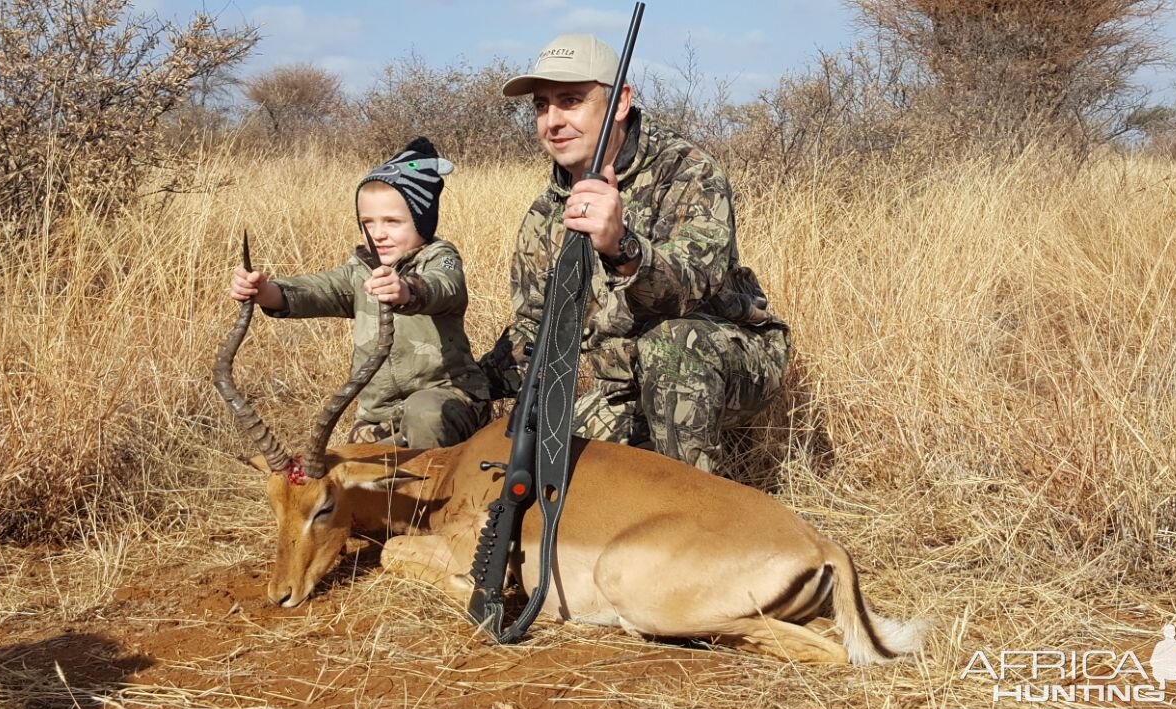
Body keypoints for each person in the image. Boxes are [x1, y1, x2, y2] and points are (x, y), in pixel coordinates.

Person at [480, 34, 789, 474]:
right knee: (526, 444)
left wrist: (622, 247)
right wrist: (467, 384)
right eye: (541, 106)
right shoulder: (546, 210)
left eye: (571, 101)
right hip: (624, 386)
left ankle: (694, 520)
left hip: (725, 360)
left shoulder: (688, 172)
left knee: (677, 344)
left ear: (620, 102)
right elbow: (535, 331)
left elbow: (691, 288)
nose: (553, 121)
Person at [229, 137, 490, 448]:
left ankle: (429, 495)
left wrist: (407, 290)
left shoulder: (440, 256)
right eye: (368, 223)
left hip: (450, 400)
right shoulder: (359, 270)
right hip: (380, 416)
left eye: (393, 222)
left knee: (424, 414)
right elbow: (318, 289)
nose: (378, 234)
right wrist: (266, 291)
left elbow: (445, 286)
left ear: (422, 219)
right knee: (345, 478)